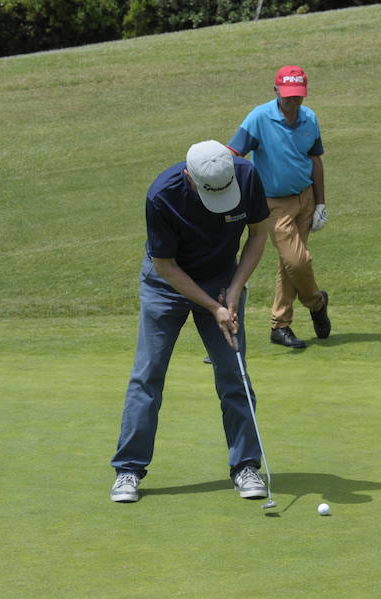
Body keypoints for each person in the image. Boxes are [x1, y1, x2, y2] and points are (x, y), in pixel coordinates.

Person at [110, 140, 271, 503]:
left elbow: (259, 235)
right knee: (148, 373)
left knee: (234, 372)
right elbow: (166, 266)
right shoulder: (162, 195)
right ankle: (128, 469)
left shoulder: (245, 175)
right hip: (165, 284)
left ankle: (246, 466)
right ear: (189, 177)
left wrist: (234, 289)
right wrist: (212, 307)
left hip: (221, 281)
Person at [227, 65, 330, 350]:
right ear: (276, 91)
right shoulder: (259, 118)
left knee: (290, 265)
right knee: (298, 261)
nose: (292, 102)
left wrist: (320, 202)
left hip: (305, 199)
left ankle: (280, 326)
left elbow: (315, 160)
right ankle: (317, 303)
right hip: (274, 205)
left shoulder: (310, 118)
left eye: (297, 96)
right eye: (287, 96)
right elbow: (233, 155)